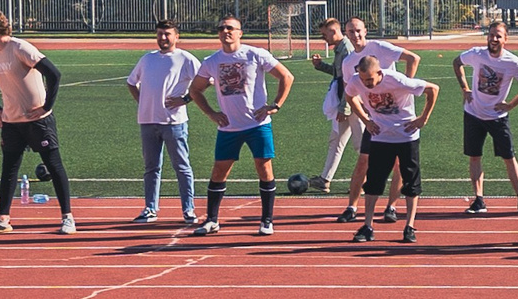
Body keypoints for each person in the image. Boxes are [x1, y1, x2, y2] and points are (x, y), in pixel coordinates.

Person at [185, 15, 295, 236]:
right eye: (222, 28)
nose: (226, 31)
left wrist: (275, 105)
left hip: (258, 125)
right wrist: (210, 113)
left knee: (264, 169)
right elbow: (195, 90)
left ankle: (266, 220)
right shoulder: (211, 61)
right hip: (229, 128)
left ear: (239, 32)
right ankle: (212, 220)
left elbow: (286, 76)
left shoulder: (255, 54)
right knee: (219, 171)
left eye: (230, 28)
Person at [0, 7, 76, 237]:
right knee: (9, 168)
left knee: (54, 165)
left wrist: (47, 106)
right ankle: (2, 218)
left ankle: (67, 217)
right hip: (11, 122)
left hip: (37, 121)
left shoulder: (20, 48)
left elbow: (54, 74)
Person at [317, 18, 417, 217]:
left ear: (365, 30)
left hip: (398, 118)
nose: (356, 35)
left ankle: (391, 207)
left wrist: (405, 88)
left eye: (358, 31)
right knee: (364, 160)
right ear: (346, 34)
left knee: (398, 164)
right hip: (375, 120)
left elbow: (412, 58)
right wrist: (365, 118)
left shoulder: (379, 47)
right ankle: (352, 207)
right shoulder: (348, 62)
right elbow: (349, 93)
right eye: (351, 32)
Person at [344, 52, 438, 243]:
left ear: (379, 73)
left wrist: (423, 118)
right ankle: (367, 226)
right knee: (373, 183)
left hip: (406, 136)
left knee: (411, 183)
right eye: (363, 80)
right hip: (380, 136)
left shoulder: (398, 80)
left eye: (370, 79)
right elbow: (350, 96)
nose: (367, 84)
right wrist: (365, 120)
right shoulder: (356, 81)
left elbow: (433, 89)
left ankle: (409, 227)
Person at [455, 21, 518, 217]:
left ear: (505, 39)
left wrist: (511, 105)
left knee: (509, 157)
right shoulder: (476, 54)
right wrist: (464, 88)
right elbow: (457, 62)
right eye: (491, 35)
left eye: (498, 35)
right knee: (475, 156)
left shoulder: (512, 62)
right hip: (473, 113)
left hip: (498, 117)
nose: (494, 39)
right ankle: (479, 199)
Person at [125, 20, 201, 225]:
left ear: (177, 37)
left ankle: (188, 210)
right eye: (160, 34)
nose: (163, 38)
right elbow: (131, 82)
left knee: (182, 167)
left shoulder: (185, 59)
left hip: (174, 122)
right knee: (151, 168)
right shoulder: (147, 59)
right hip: (148, 122)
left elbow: (205, 81)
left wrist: (185, 99)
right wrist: (143, 102)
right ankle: (150, 208)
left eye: (167, 34)